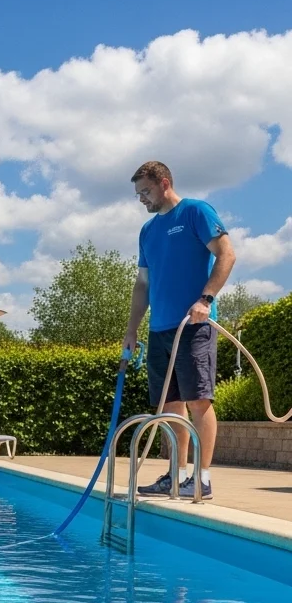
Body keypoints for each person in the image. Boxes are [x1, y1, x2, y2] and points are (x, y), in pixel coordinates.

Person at [124, 161, 236, 500]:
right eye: (138, 194)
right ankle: (176, 474)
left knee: (198, 400)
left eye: (145, 191)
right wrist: (131, 330)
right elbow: (142, 284)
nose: (142, 199)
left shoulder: (195, 212)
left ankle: (201, 479)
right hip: (160, 329)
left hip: (194, 325)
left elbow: (226, 254)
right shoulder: (147, 231)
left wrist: (206, 298)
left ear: (164, 183)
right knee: (170, 404)